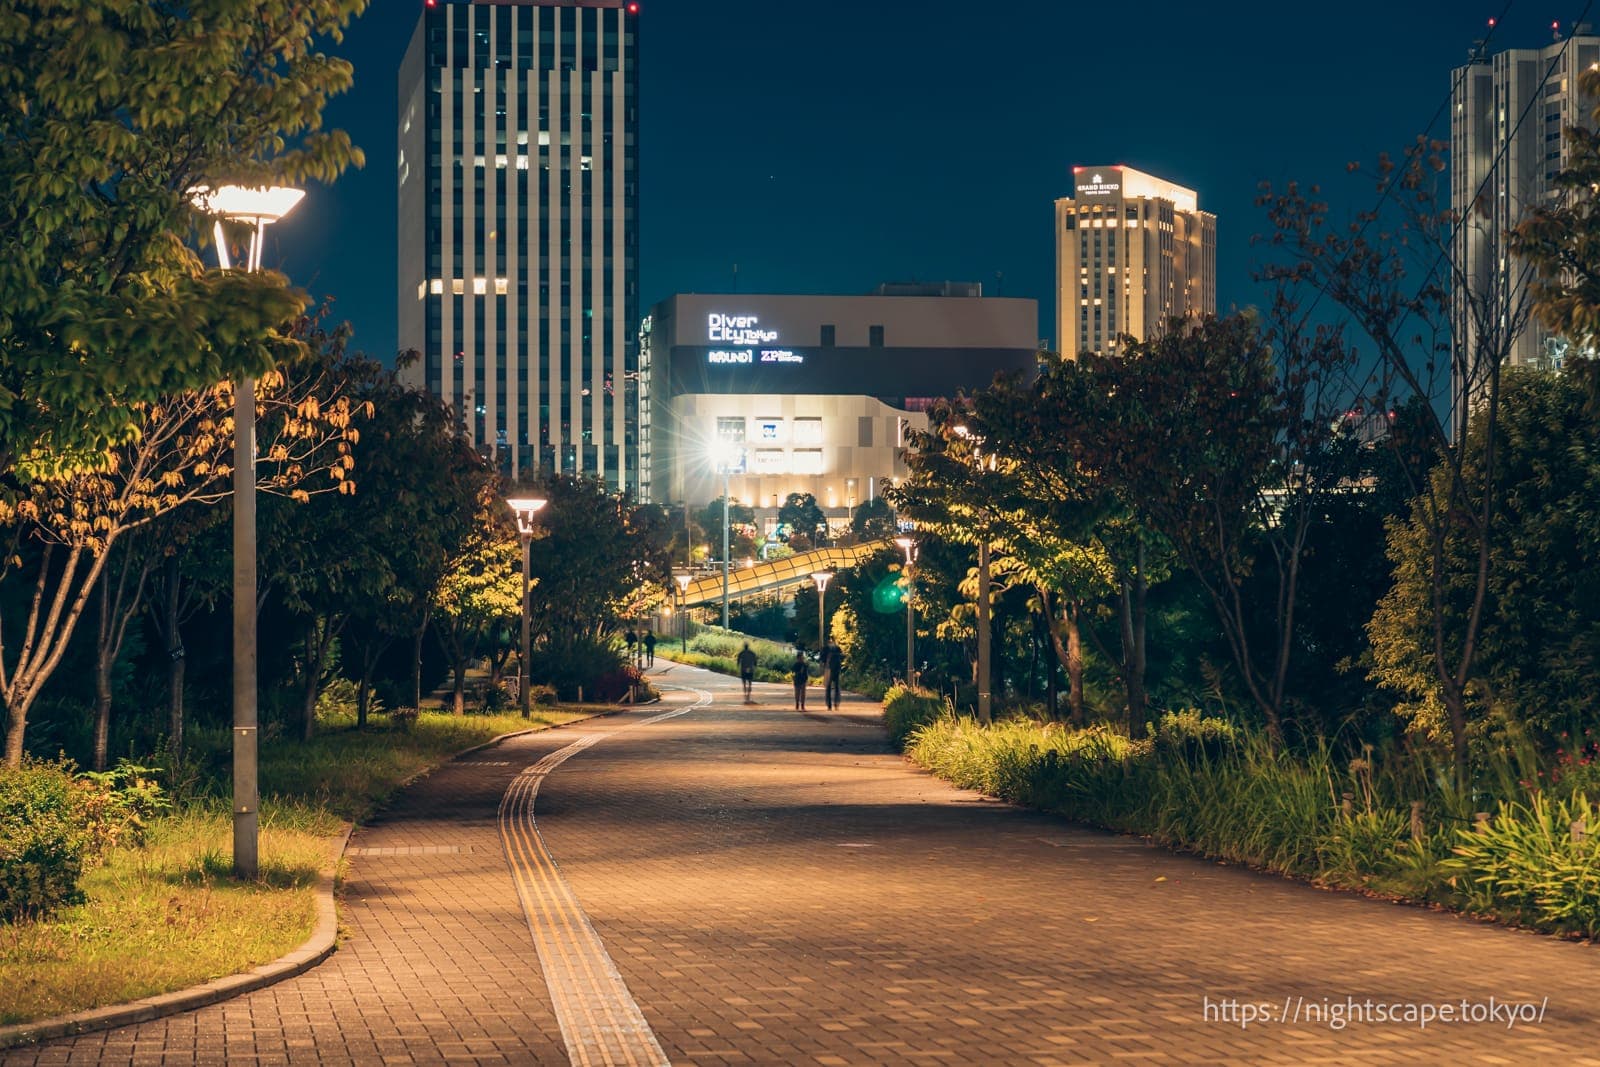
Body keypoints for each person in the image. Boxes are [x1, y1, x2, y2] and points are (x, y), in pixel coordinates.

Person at [823, 639, 843, 710]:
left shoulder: (833, 648)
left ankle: (833, 704)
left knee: (833, 687)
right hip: (831, 669)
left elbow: (822, 658)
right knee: (833, 687)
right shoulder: (836, 648)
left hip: (832, 669)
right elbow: (841, 657)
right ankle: (832, 704)